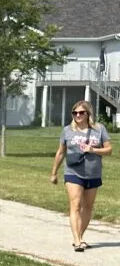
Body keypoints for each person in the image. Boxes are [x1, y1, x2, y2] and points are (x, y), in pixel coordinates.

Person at [50, 100, 113, 251]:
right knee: (75, 205)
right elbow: (61, 152)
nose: (78, 115)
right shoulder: (67, 130)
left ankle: (80, 236)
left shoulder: (99, 129)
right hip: (73, 172)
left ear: (88, 114)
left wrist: (93, 150)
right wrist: (54, 173)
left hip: (93, 173)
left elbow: (109, 150)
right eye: (75, 113)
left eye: (81, 113)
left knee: (88, 207)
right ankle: (77, 240)